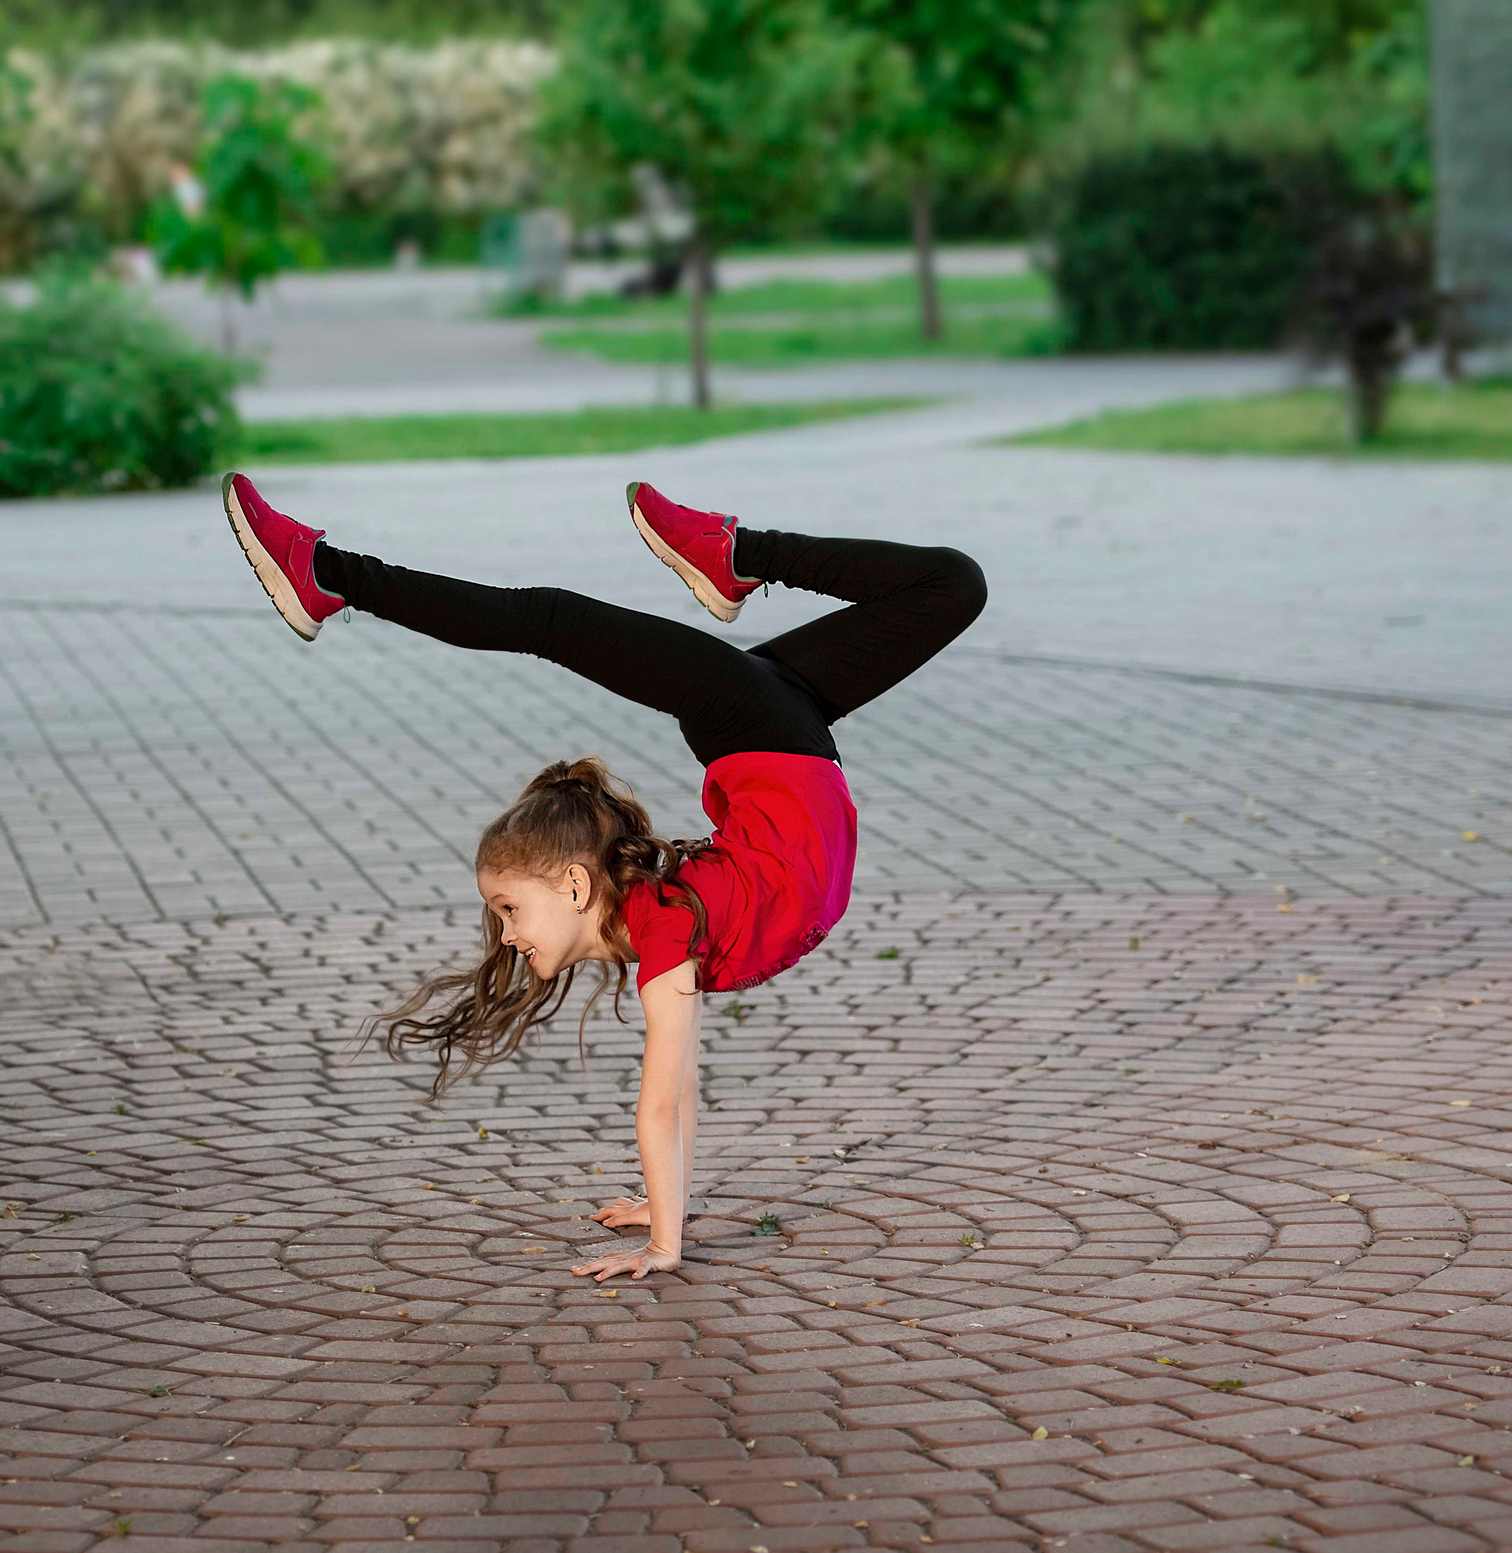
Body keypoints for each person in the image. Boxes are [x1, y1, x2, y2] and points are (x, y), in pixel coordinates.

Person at [219, 473, 988, 1282]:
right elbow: (677, 1095)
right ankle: (733, 556)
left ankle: (330, 573)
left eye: (510, 907)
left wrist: (664, 1240)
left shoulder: (665, 928)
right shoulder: (669, 931)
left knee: (556, 620)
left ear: (578, 886)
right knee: (953, 585)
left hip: (767, 731)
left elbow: (661, 1105)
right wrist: (668, 1218)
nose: (507, 934)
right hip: (779, 732)